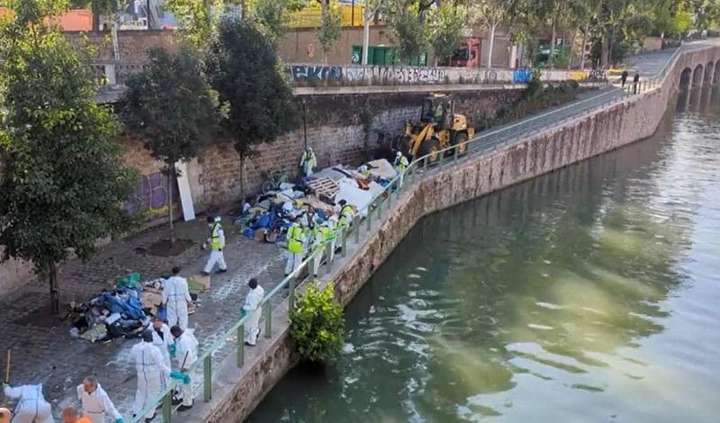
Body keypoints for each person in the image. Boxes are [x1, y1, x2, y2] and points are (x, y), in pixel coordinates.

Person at [131, 330, 170, 422]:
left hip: (141, 374)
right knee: (153, 393)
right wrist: (170, 373)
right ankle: (149, 415)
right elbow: (161, 365)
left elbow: (133, 357)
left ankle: (136, 412)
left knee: (140, 392)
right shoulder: (154, 349)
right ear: (151, 338)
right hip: (153, 374)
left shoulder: (135, 347)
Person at [170, 326, 197, 412]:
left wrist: (185, 367)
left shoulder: (183, 341)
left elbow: (187, 354)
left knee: (187, 384)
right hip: (191, 361)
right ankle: (185, 397)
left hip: (187, 365)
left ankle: (187, 403)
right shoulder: (188, 335)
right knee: (187, 382)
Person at [162, 267, 192, 331]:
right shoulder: (183, 281)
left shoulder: (167, 282)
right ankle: (183, 332)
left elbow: (164, 293)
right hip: (181, 302)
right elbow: (186, 292)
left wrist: (164, 302)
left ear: (172, 272)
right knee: (183, 318)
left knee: (171, 319)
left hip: (171, 302)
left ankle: (172, 333)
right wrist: (189, 301)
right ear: (179, 272)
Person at [242, 279, 265, 346]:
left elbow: (252, 307)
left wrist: (244, 307)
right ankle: (255, 334)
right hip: (259, 309)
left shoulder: (252, 295)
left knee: (250, 326)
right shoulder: (260, 289)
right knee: (254, 324)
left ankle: (252, 341)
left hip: (253, 312)